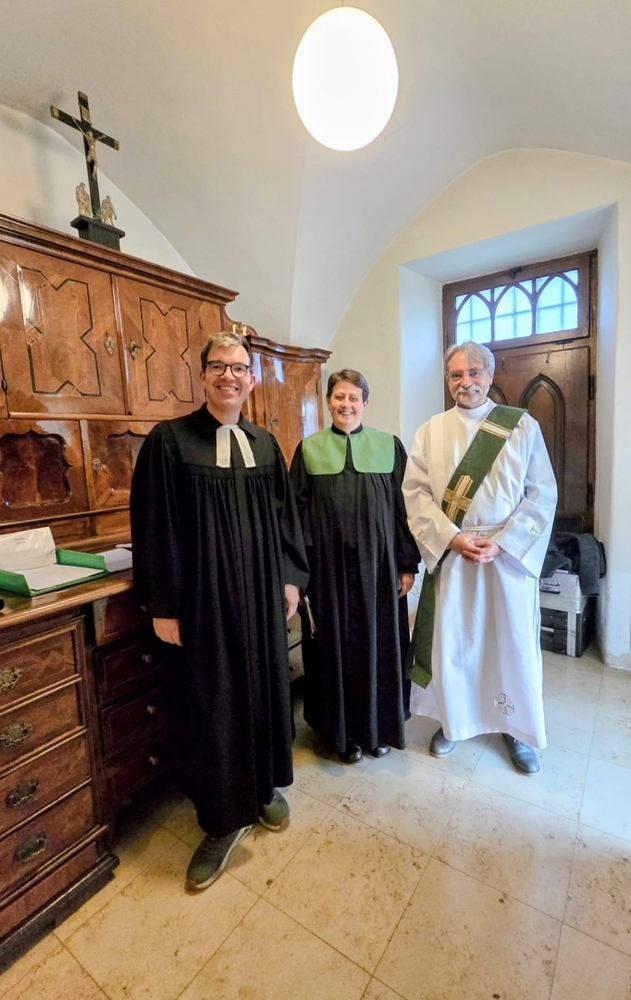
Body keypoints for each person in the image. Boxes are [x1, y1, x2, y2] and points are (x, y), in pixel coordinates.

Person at [130, 331, 309, 890]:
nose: (228, 376)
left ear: (251, 379)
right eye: (218, 366)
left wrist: (290, 578)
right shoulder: (170, 441)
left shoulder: (264, 443)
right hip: (203, 601)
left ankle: (262, 789)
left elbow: (286, 519)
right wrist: (162, 604)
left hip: (260, 598)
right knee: (214, 702)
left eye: (238, 368)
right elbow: (153, 526)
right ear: (203, 375)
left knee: (265, 689)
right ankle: (221, 820)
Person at [403, 342, 557, 774]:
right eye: (456, 374)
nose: (465, 382)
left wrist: (504, 542)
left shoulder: (521, 426)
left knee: (511, 645)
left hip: (506, 558)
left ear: (490, 376)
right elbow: (415, 494)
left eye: (474, 373)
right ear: (447, 380)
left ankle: (516, 729)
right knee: (456, 643)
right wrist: (451, 539)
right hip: (455, 556)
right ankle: (455, 722)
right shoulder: (430, 431)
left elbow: (542, 493)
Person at [290, 369, 419, 764]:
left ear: (365, 402)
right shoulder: (309, 450)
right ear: (328, 402)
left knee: (380, 646)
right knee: (332, 650)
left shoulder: (389, 446)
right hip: (327, 574)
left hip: (379, 571)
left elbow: (404, 511)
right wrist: (300, 574)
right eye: (338, 397)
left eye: (353, 398)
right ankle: (340, 735)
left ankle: (379, 730)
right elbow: (294, 515)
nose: (345, 404)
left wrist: (406, 564)